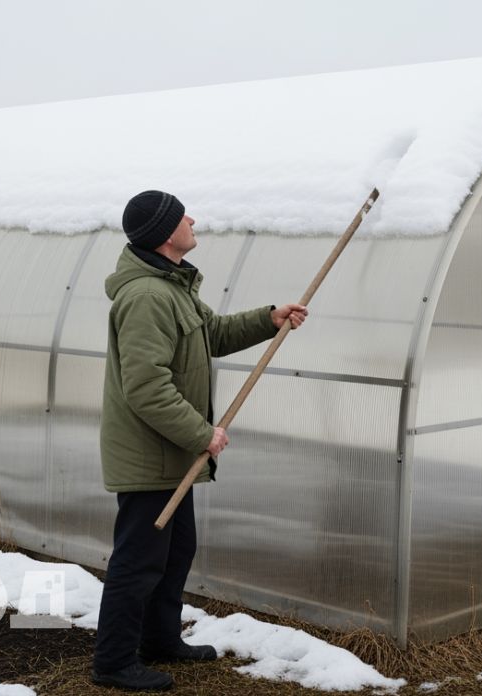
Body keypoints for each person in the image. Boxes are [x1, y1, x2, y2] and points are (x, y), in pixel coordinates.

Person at [91, 190, 307, 691]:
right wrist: (201, 434)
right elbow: (146, 387)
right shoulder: (147, 296)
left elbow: (211, 333)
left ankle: (160, 639)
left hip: (172, 457)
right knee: (139, 561)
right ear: (167, 235)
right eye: (183, 215)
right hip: (150, 456)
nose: (192, 220)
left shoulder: (173, 287)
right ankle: (114, 662)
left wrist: (269, 317)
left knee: (175, 552)